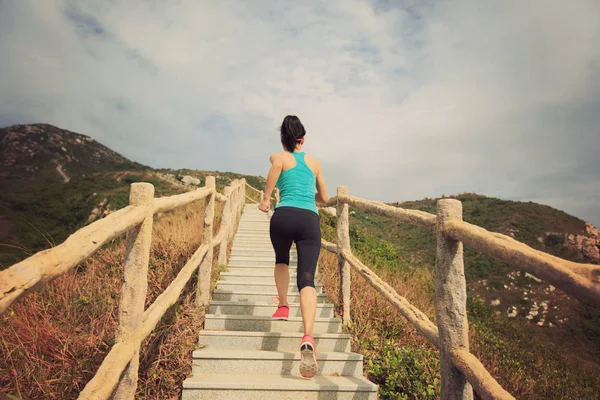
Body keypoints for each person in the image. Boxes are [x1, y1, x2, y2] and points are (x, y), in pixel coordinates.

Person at [258, 115, 329, 379]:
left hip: (284, 215)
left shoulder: (278, 157)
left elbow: (272, 177)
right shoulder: (314, 162)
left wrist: (266, 200)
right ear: (303, 138)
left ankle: (284, 306)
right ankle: (308, 336)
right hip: (309, 219)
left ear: (283, 139)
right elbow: (325, 197)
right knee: (307, 278)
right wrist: (309, 196)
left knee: (281, 260)